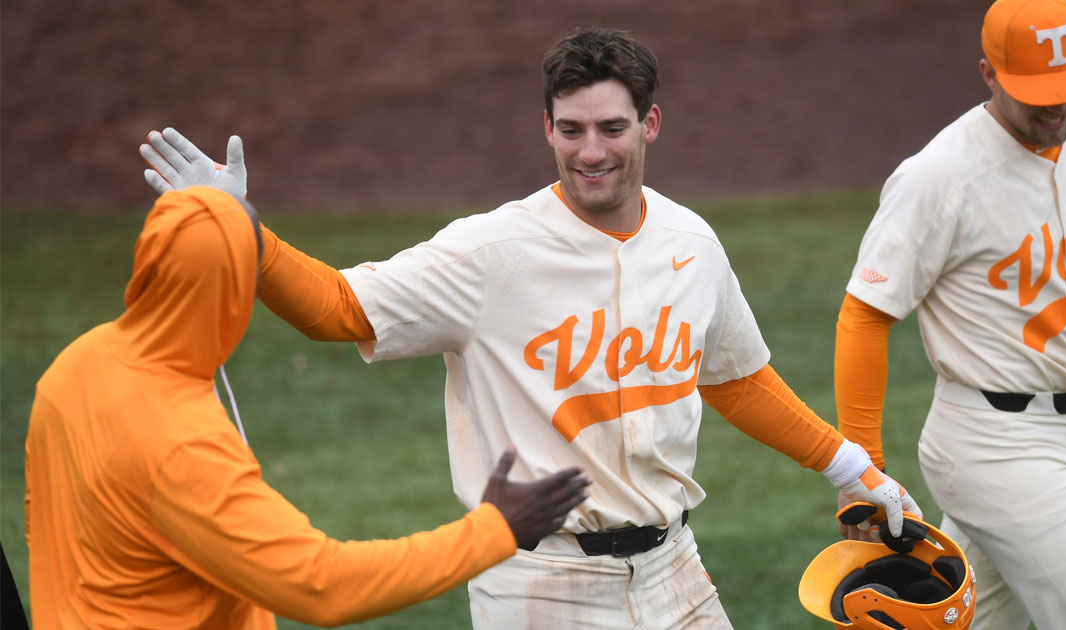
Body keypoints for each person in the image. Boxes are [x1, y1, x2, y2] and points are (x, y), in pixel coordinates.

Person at [138, 27, 922, 629]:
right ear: (545, 128)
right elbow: (340, 310)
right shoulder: (491, 253)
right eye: (571, 129)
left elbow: (735, 377)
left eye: (611, 128)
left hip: (675, 568)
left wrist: (851, 468)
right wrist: (246, 232)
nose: (591, 152)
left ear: (651, 125)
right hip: (542, 584)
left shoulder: (691, 243)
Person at [24, 185, 590, 629]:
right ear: (236, 287)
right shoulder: (181, 443)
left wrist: (226, 213)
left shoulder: (74, 368)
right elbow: (324, 585)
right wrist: (495, 529)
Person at [832, 0, 1066, 628]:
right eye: (1039, 92)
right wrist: (863, 468)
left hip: (1058, 440)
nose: (1059, 107)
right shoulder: (940, 176)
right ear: (989, 73)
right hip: (990, 447)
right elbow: (864, 315)